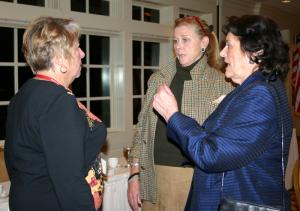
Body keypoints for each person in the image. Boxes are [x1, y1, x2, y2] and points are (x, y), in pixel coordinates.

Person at [152, 14, 292, 211]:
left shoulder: (260, 95)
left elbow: (211, 154)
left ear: (256, 52)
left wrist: (172, 115)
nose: (223, 53)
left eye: (230, 46)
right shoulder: (253, 90)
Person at [128, 16, 233, 211]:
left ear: (204, 43)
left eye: (185, 40)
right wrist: (134, 175)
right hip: (150, 175)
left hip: (191, 178)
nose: (178, 47)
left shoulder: (221, 84)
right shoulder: (158, 78)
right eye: (176, 41)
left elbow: (223, 144)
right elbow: (141, 130)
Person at [4, 16, 107, 211]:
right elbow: (69, 179)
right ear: (60, 60)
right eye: (77, 47)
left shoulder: (24, 95)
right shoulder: (58, 102)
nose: (82, 54)